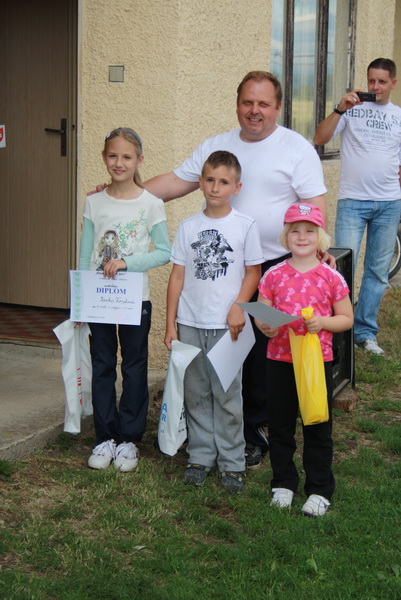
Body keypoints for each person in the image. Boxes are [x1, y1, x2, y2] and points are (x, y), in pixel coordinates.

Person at [146, 70, 328, 468]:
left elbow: (314, 205)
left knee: (262, 348)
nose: (255, 111)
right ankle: (212, 429)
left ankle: (253, 430)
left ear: (278, 107)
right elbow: (175, 182)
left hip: (274, 268)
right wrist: (126, 194)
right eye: (248, 102)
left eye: (263, 103)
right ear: (237, 105)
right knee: (224, 346)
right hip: (222, 266)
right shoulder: (218, 146)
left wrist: (318, 248)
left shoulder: (296, 149)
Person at [164, 150, 263, 493]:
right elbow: (177, 276)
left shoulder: (245, 225)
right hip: (191, 322)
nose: (215, 188)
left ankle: (232, 462)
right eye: (209, 180)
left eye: (223, 182)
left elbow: (253, 272)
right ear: (200, 183)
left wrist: (239, 308)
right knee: (196, 392)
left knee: (227, 394)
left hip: (228, 325)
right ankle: (200, 455)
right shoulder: (188, 227)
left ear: (237, 187)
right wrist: (170, 323)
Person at [78, 127, 171, 471]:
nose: (119, 163)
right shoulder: (94, 201)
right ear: (104, 158)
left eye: (127, 157)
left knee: (134, 366)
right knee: (102, 364)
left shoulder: (151, 204)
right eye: (113, 156)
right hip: (99, 300)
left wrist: (127, 263)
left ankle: (129, 439)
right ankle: (105, 436)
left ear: (139, 160)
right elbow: (86, 254)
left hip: (135, 300)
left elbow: (164, 252)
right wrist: (80, 301)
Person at [255, 203, 353, 516]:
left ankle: (320, 488)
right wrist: (267, 327)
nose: (301, 236)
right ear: (285, 236)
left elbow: (346, 318)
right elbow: (261, 312)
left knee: (317, 424)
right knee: (280, 424)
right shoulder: (273, 274)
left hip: (316, 361)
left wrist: (322, 322)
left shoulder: (331, 277)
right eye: (295, 230)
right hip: (280, 359)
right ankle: (283, 483)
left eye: (309, 231)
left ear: (320, 237)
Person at [314, 57, 401, 356]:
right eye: (371, 80)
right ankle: (337, 329)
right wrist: (340, 108)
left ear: (393, 83)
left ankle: (365, 332)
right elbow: (320, 137)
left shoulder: (398, 116)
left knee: (377, 271)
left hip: (389, 202)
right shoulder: (351, 110)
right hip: (353, 201)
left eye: (382, 82)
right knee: (342, 267)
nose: (375, 87)